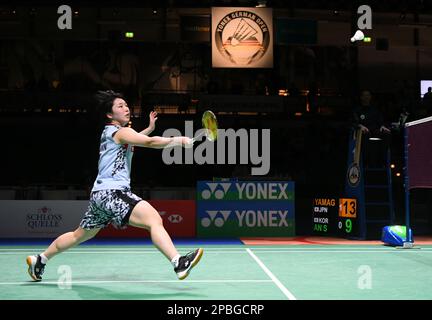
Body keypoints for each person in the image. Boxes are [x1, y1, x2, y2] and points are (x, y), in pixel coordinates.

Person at [26, 90, 203, 282]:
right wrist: (179, 141)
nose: (126, 108)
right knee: (153, 220)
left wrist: (148, 129)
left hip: (99, 195)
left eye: (127, 105)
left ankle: (40, 259)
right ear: (110, 114)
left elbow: (133, 141)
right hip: (113, 192)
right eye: (120, 106)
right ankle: (178, 262)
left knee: (79, 235)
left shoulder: (109, 132)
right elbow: (149, 143)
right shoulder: (120, 131)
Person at [351, 90, 391, 167]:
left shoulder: (375, 109)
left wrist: (382, 126)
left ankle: (383, 160)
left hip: (374, 130)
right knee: (366, 135)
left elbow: (380, 121)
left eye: (368, 95)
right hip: (363, 132)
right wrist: (360, 126)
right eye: (364, 95)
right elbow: (353, 122)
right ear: (361, 97)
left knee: (386, 134)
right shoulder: (357, 110)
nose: (366, 97)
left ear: (370, 97)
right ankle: (366, 162)